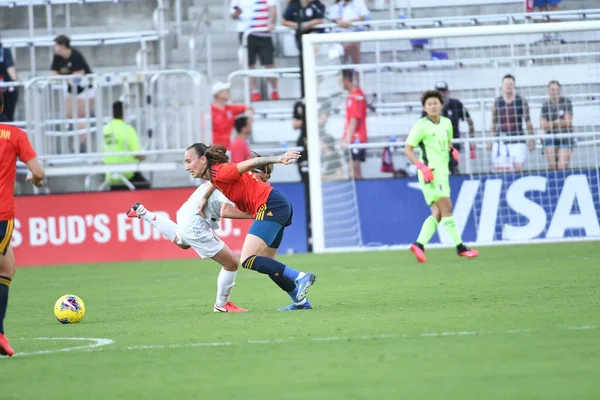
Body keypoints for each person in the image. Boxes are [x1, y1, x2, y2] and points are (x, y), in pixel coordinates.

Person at [196, 144, 316, 311]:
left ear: (203, 161)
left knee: (247, 259)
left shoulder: (222, 171)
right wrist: (204, 197)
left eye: (189, 162)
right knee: (268, 261)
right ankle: (301, 302)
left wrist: (279, 158)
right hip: (276, 205)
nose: (187, 167)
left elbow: (253, 162)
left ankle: (300, 277)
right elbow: (216, 185)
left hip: (270, 204)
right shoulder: (217, 175)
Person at [404, 90, 479, 263]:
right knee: (447, 208)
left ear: (441, 105)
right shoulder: (421, 125)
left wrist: (452, 150)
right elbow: (408, 149)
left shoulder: (446, 123)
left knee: (437, 213)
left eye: (435, 103)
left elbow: (447, 142)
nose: (432, 106)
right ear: (424, 107)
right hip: (430, 174)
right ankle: (460, 246)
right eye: (429, 104)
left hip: (443, 173)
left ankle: (419, 244)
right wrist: (421, 167)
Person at [0, 94, 46, 356]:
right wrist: (35, 180)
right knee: (5, 266)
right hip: (1, 215)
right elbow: (38, 172)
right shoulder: (14, 134)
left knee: (7, 266)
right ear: (3, 107)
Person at [50, 35, 94, 152]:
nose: (54, 48)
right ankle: (70, 145)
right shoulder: (57, 57)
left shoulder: (75, 56)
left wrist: (65, 78)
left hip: (84, 90)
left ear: (63, 46)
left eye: (56, 45)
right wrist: (66, 78)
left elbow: (77, 78)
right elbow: (53, 74)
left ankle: (83, 145)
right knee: (68, 116)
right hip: (70, 91)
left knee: (81, 116)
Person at [421, 81, 475, 175]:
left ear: (448, 92)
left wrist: (472, 138)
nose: (441, 94)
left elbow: (469, 120)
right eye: (439, 91)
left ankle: (456, 185)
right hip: (436, 144)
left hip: (453, 142)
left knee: (454, 167)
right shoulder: (429, 106)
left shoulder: (456, 104)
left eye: (443, 91)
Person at [230, 0, 279, 101]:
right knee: (249, 63)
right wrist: (236, 14)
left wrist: (271, 22)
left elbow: (272, 8)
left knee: (269, 63)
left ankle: (274, 89)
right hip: (246, 32)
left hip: (263, 32)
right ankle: (254, 91)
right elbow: (232, 14)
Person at [488, 74, 535, 172]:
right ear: (502, 85)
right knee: (500, 169)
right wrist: (490, 140)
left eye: (511, 84)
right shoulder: (497, 102)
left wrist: (532, 139)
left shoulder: (521, 101)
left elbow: (528, 121)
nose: (508, 86)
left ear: (514, 85)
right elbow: (493, 122)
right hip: (501, 140)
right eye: (506, 84)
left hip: (517, 139)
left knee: (518, 168)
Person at [103, 101, 149, 191]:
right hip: (127, 174)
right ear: (124, 113)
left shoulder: (105, 130)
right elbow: (138, 154)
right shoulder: (128, 129)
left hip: (110, 177)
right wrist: (144, 156)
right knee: (147, 189)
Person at [341, 69, 367, 180]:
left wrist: (347, 139)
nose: (339, 83)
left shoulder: (357, 95)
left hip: (356, 139)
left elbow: (355, 119)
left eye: (340, 80)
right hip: (352, 138)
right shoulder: (351, 95)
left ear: (346, 80)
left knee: (354, 173)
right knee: (352, 172)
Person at [541, 80, 573, 170]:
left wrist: (550, 124)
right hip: (550, 137)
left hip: (565, 137)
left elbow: (567, 123)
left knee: (562, 167)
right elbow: (543, 125)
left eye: (557, 89)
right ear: (548, 91)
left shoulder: (566, 102)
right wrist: (557, 122)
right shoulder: (545, 105)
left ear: (560, 90)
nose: (555, 92)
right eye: (552, 90)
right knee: (552, 167)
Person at [328, 0, 370, 66]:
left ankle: (357, 72)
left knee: (354, 47)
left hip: (356, 30)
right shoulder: (337, 4)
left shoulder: (359, 2)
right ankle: (346, 72)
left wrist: (351, 22)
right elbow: (333, 18)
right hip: (340, 31)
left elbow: (362, 17)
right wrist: (339, 22)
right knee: (344, 49)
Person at [211, 81, 250, 150]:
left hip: (228, 148)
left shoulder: (230, 109)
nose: (228, 93)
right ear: (218, 94)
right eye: (225, 91)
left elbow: (248, 107)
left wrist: (250, 115)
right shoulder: (210, 111)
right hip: (214, 149)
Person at [0, 42, 19, 122]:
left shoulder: (5, 52)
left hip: (7, 89)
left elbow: (10, 68)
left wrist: (16, 81)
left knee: (7, 116)